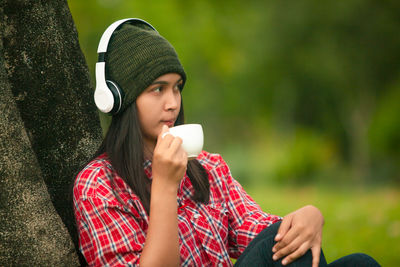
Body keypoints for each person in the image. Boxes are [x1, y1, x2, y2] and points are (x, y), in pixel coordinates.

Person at [73, 18, 380, 267]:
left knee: (359, 263)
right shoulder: (98, 186)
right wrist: (165, 186)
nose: (172, 103)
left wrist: (308, 217)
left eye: (177, 88)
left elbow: (262, 234)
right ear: (119, 99)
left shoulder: (208, 167)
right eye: (157, 89)